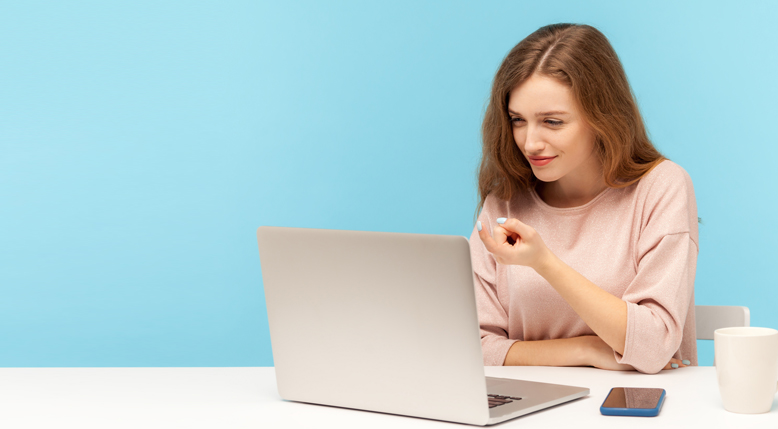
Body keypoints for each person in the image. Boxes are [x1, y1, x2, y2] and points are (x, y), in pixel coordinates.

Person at [470, 23, 698, 374]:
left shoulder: (661, 188)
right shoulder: (504, 203)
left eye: (552, 121)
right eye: (518, 120)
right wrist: (586, 349)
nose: (530, 142)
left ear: (601, 117)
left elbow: (654, 346)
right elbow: (475, 347)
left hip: (639, 406)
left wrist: (545, 263)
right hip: (533, 408)